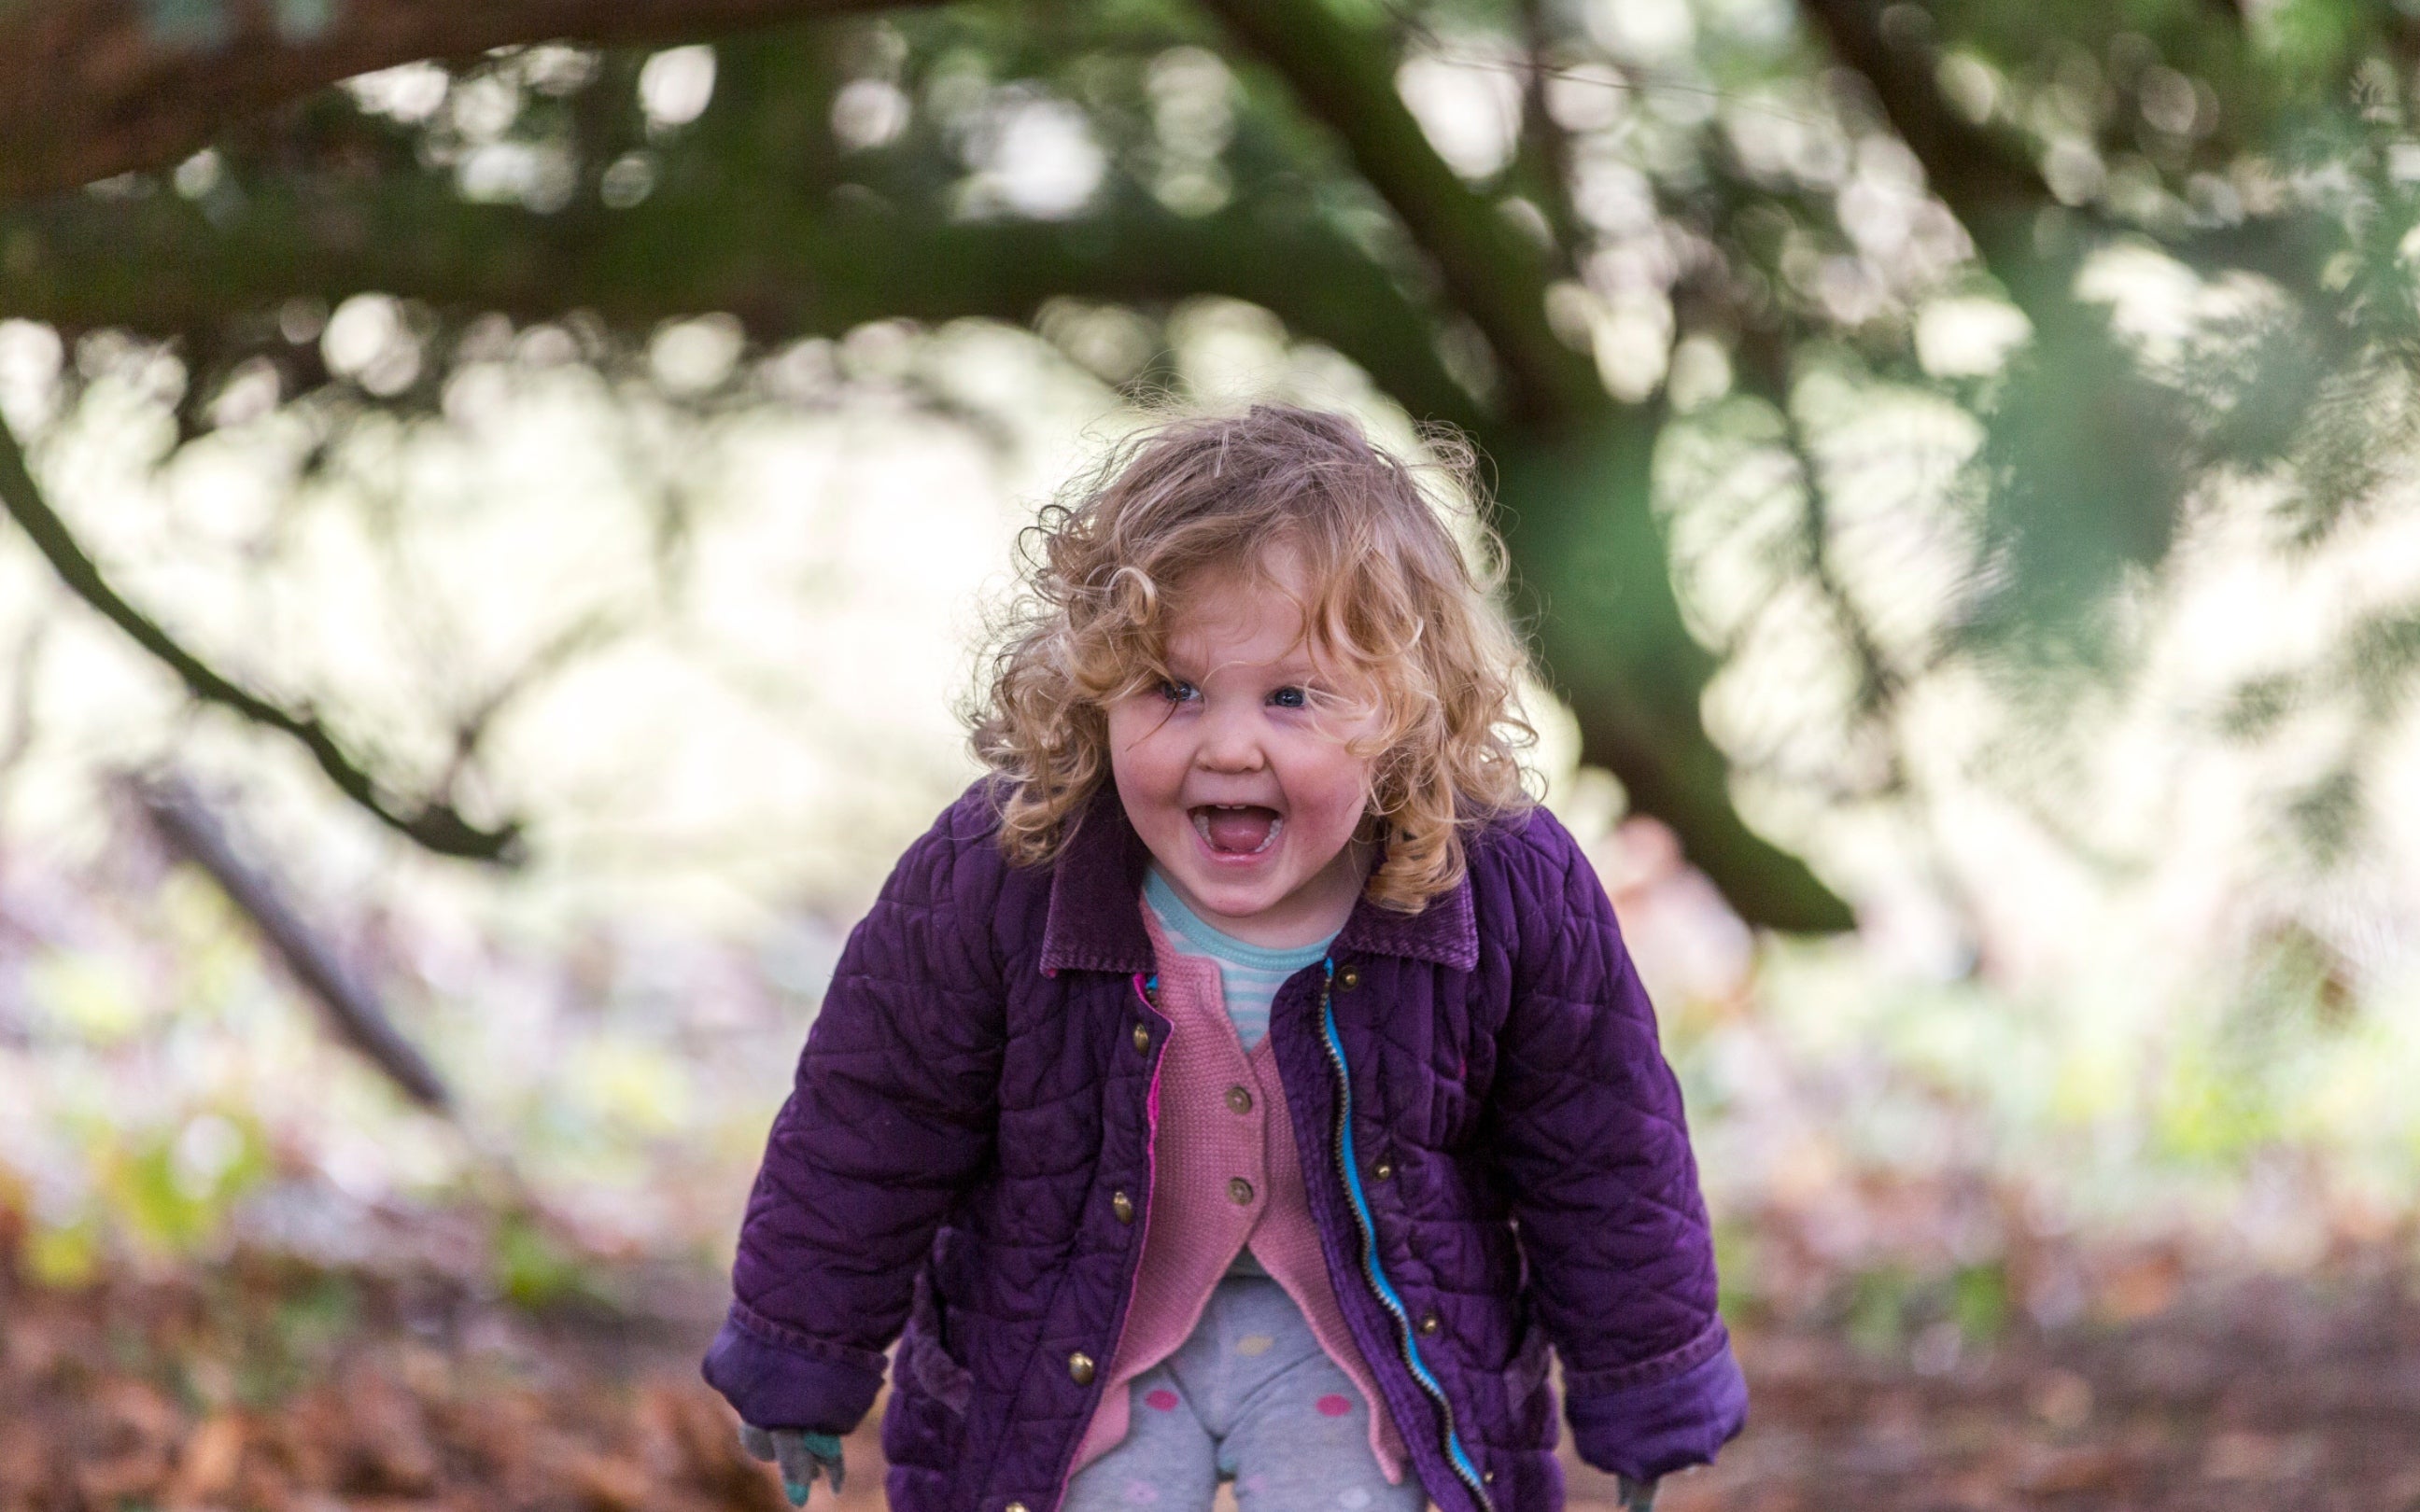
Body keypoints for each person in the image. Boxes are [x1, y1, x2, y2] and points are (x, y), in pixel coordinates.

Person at [701, 404, 1746, 1512]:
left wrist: (1649, 1390)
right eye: (1174, 690)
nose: (1229, 743)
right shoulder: (1006, 866)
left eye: (1293, 697)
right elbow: (871, 1121)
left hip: (1363, 1334)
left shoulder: (1500, 885)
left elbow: (1603, 1148)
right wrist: (800, 1357)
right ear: (1094, 686)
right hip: (1078, 1331)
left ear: (1403, 709)